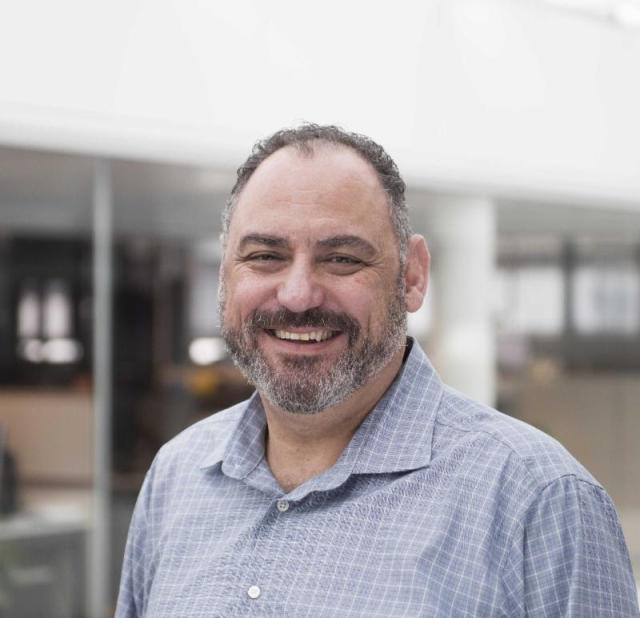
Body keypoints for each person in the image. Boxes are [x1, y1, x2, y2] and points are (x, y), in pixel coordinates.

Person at [116, 124, 640, 617]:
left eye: (341, 259)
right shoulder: (177, 476)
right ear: (225, 277)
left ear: (412, 276)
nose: (298, 295)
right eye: (266, 256)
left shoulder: (540, 502)